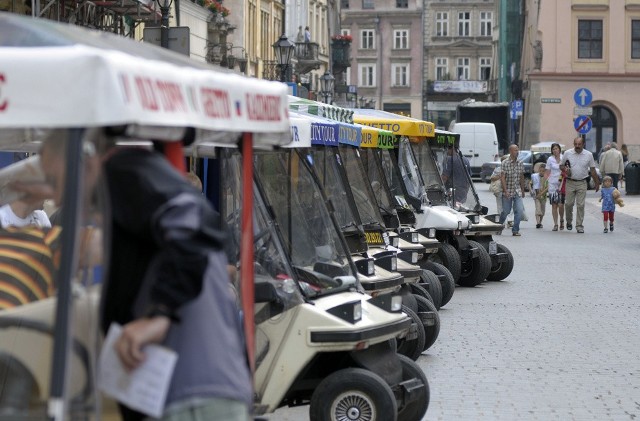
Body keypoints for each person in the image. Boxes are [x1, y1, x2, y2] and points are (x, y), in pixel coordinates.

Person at [37, 132, 252, 421]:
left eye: (54, 180)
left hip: (190, 396)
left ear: (84, 160)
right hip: (186, 391)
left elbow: (191, 232)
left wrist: (158, 315)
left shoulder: (122, 173)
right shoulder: (133, 191)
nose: (56, 196)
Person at [563, 136, 600, 233]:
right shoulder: (567, 153)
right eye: (575, 144)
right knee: (568, 204)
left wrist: (597, 183)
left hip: (582, 182)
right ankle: (569, 221)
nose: (577, 146)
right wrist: (565, 169)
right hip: (570, 182)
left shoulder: (589, 155)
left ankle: (579, 226)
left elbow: (592, 170)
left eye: (579, 144)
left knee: (580, 205)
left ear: (583, 144)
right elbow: (561, 165)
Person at [498, 144, 526, 236]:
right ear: (510, 151)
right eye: (515, 150)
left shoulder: (520, 162)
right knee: (506, 211)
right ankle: (499, 226)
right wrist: (505, 191)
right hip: (508, 190)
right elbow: (502, 177)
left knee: (519, 210)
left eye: (518, 150)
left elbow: (522, 176)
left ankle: (515, 230)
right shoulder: (505, 163)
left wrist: (522, 190)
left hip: (517, 190)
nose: (517, 152)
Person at [544, 142, 566, 231]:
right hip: (552, 183)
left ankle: (561, 219)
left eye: (556, 148)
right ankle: (555, 224)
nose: (555, 150)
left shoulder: (563, 157)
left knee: (561, 204)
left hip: (561, 184)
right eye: (553, 149)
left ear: (559, 149)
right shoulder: (550, 159)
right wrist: (545, 182)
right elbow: (547, 172)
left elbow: (566, 169)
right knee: (554, 205)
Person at [530, 163, 547, 229]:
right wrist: (531, 190)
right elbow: (530, 183)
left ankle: (540, 222)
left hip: (543, 197)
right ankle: (538, 223)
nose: (541, 172)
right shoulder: (535, 177)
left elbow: (547, 188)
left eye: (543, 171)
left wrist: (541, 193)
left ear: (545, 171)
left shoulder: (546, 178)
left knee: (542, 211)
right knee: (538, 209)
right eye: (540, 171)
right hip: (536, 196)